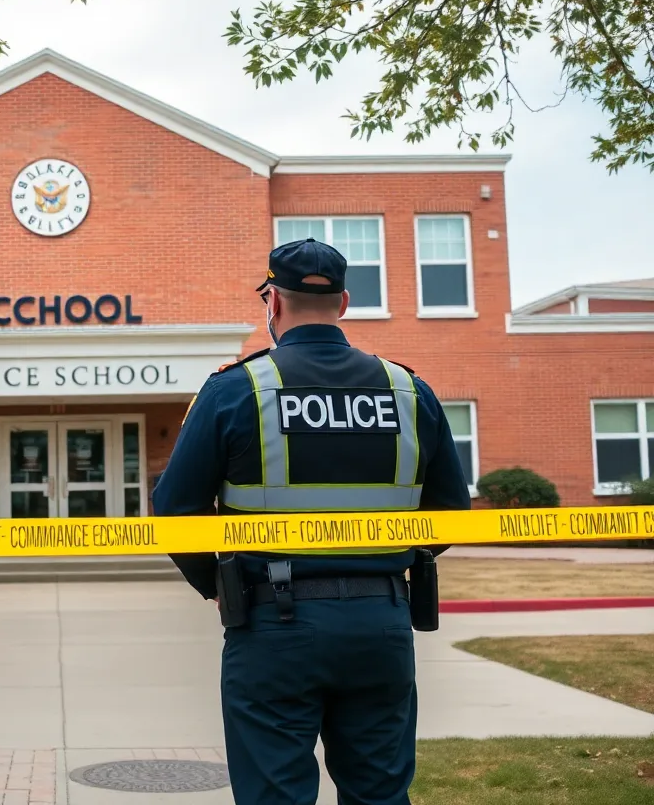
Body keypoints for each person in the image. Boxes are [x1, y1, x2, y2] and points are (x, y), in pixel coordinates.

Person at [151, 238, 470, 805]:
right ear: (343, 303)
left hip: (273, 625)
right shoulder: (407, 390)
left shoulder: (237, 389)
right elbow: (450, 514)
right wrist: (382, 564)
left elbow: (175, 510)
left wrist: (220, 586)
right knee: (379, 794)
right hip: (382, 622)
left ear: (272, 302)